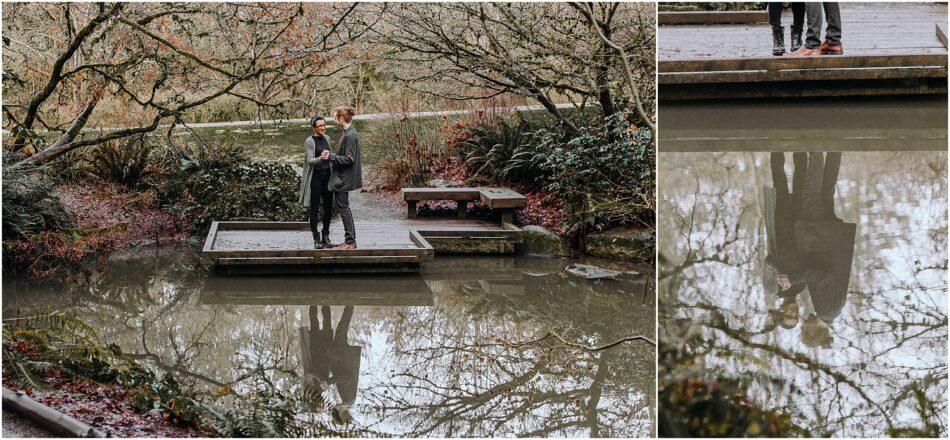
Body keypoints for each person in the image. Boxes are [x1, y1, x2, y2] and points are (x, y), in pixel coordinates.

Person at [324, 106, 363, 249]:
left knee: (343, 208)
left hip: (343, 178)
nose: (335, 121)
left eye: (335, 118)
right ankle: (350, 240)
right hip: (342, 177)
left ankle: (350, 242)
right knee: (345, 208)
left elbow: (349, 159)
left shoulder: (351, 135)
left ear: (341, 118)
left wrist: (331, 157)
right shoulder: (347, 132)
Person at [299, 115, 335, 249]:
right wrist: (322, 157)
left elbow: (330, 156)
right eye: (319, 125)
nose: (322, 127)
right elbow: (310, 161)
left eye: (324, 125)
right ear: (314, 127)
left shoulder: (327, 138)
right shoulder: (309, 141)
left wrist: (330, 158)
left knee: (328, 207)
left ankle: (326, 236)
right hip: (316, 177)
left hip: (328, 176)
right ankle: (316, 238)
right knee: (314, 208)